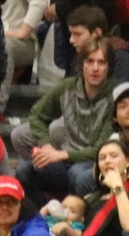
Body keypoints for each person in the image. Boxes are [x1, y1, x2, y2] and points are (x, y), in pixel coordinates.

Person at [15, 37, 116, 200]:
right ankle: (45, 210)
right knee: (24, 171)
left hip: (94, 161)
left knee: (77, 174)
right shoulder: (68, 87)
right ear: (81, 64)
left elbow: (98, 149)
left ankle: (78, 212)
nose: (95, 68)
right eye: (90, 61)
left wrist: (61, 155)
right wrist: (46, 145)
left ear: (108, 67)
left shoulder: (115, 96)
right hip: (65, 159)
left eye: (101, 62)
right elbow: (37, 115)